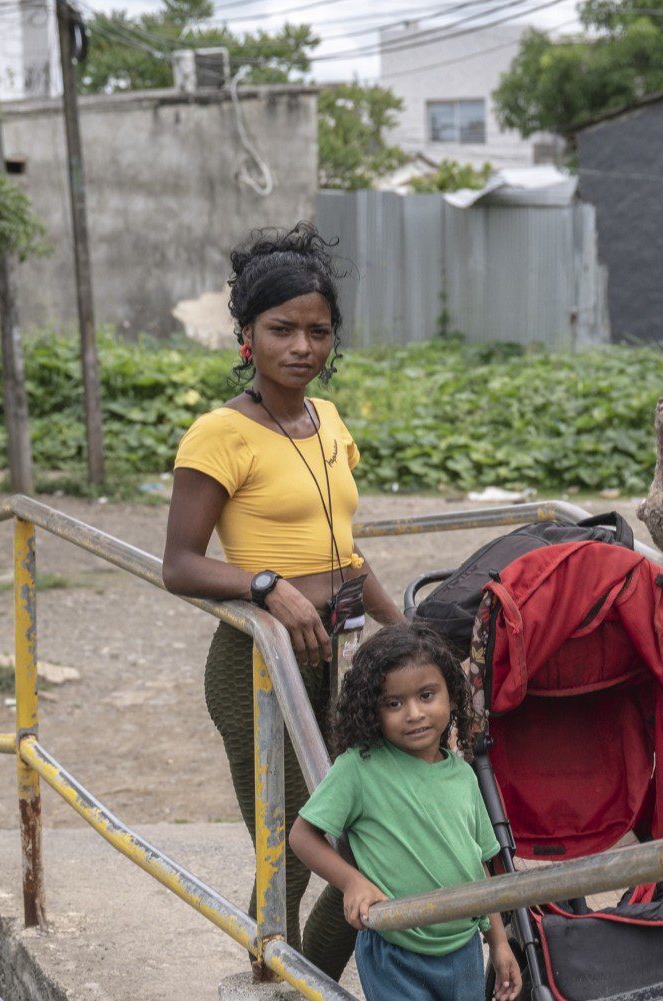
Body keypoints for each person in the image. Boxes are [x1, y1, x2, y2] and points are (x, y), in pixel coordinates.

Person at [162, 222, 404, 978]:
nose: (302, 345)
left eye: (318, 330)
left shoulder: (327, 422)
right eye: (282, 329)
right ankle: (275, 977)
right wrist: (265, 585)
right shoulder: (220, 435)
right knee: (298, 850)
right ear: (246, 335)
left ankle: (305, 979)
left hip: (343, 655)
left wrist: (412, 637)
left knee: (374, 842)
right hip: (257, 667)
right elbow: (179, 564)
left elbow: (345, 556)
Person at [289, 625, 521, 1001]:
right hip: (394, 951)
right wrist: (352, 882)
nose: (413, 714)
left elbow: (479, 867)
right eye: (393, 703)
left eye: (427, 695)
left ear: (452, 694)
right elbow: (302, 836)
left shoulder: (463, 775)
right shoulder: (359, 769)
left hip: (462, 948)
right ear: (371, 709)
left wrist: (498, 941)